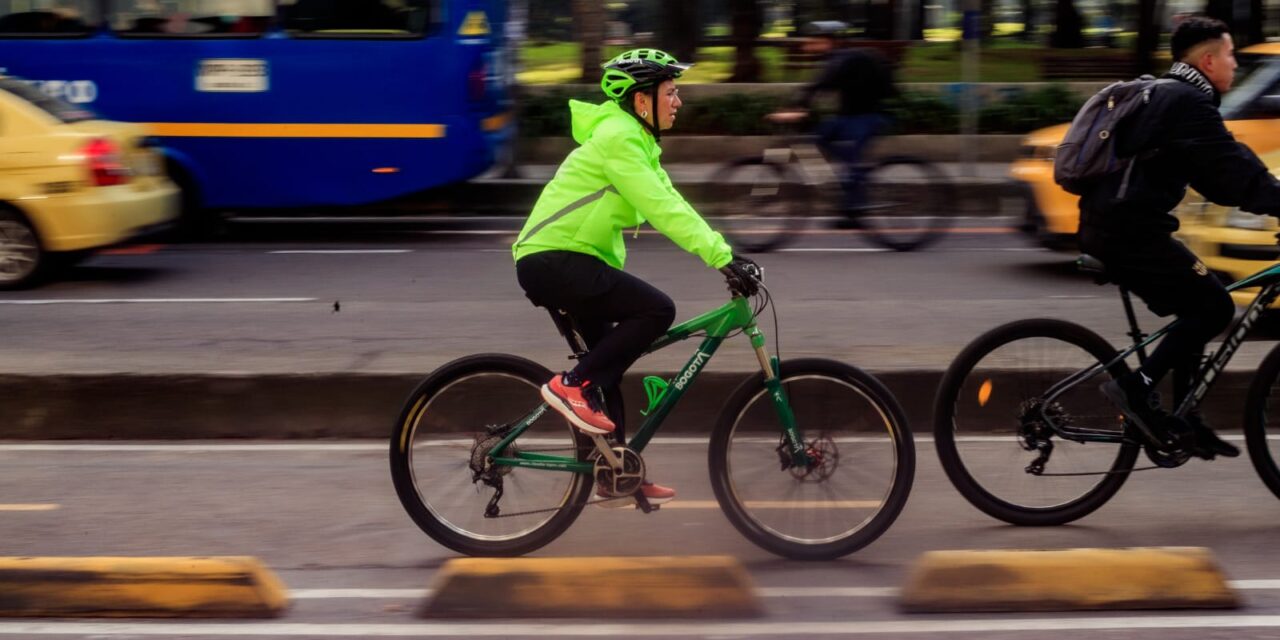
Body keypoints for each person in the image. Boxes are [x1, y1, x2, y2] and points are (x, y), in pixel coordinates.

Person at [511, 49, 760, 506]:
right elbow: (660, 209)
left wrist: (729, 253)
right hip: (554, 260)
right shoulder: (619, 140)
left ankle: (613, 469)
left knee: (607, 370)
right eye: (671, 92)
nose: (678, 101)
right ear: (642, 100)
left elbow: (673, 201)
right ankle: (569, 387)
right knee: (656, 309)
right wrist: (721, 257)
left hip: (565, 260)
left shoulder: (637, 142)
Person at [1079, 16, 1280, 459]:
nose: (1233, 64)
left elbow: (1221, 171)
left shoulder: (1176, 96)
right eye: (1229, 55)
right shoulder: (1186, 102)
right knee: (1214, 306)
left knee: (1200, 298)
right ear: (1208, 60)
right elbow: (1233, 172)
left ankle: (1185, 417)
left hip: (1120, 227)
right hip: (1126, 233)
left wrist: (1269, 195)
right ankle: (1135, 388)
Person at [770, 22, 898, 228]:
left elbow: (819, 86)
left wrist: (796, 107)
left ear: (830, 42)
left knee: (850, 161)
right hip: (847, 117)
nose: (810, 47)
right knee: (818, 139)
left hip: (868, 117)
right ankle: (850, 187)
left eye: (815, 42)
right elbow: (818, 86)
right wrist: (798, 107)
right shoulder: (837, 60)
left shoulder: (842, 60)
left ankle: (854, 207)